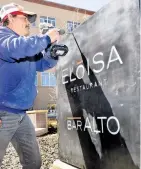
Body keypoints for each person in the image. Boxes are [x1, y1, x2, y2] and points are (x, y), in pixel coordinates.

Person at [0, 3, 60, 169]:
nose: (28, 22)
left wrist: (52, 51)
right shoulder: (4, 38)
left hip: (21, 114)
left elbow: (43, 64)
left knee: (33, 162)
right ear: (9, 17)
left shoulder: (24, 47)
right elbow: (18, 48)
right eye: (24, 17)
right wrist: (46, 38)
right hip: (2, 113)